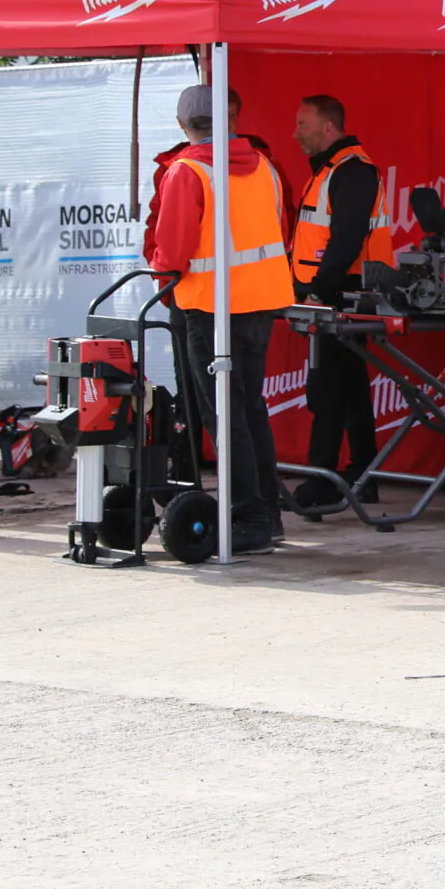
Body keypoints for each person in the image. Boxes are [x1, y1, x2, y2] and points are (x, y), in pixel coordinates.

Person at [145, 82, 291, 552]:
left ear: (183, 125)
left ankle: (248, 518)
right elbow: (280, 230)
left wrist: (164, 280)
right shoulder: (264, 166)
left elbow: (173, 248)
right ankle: (267, 514)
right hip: (260, 303)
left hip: (209, 306)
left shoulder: (187, 170)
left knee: (224, 417)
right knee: (250, 411)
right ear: (228, 121)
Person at [289, 94, 394, 501]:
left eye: (302, 124)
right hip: (337, 291)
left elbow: (346, 239)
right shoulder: (332, 170)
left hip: (342, 294)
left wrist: (318, 292)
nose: (296, 133)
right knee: (349, 388)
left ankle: (323, 481)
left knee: (329, 388)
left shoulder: (351, 171)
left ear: (328, 128)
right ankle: (362, 477)